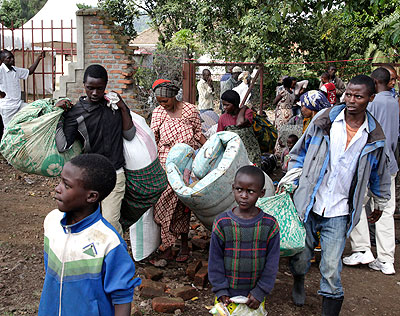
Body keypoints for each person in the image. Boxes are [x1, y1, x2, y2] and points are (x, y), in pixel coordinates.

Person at [281, 75, 390, 315]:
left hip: (340, 210)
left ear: (370, 99)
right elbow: (300, 152)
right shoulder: (325, 120)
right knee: (302, 255)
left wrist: (380, 201)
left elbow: (379, 174)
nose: (351, 100)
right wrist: (293, 179)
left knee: (331, 267)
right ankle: (298, 279)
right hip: (310, 202)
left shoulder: (374, 137)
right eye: (348, 94)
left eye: (358, 96)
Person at [38, 154, 141, 316]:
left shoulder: (109, 242)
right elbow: (51, 273)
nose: (58, 188)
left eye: (67, 185)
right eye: (60, 181)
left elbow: (121, 296)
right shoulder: (52, 222)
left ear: (91, 196)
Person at [55, 64, 136, 235]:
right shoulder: (75, 112)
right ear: (83, 84)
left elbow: (129, 135)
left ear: (105, 85)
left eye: (100, 88)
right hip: (88, 176)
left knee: (111, 223)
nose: (94, 93)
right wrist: (59, 116)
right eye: (90, 88)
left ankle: (116, 260)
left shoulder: (113, 106)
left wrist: (122, 107)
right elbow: (63, 146)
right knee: (86, 222)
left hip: (115, 173)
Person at [343, 68, 398, 275]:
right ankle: (386, 259)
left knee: (355, 203)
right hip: (390, 162)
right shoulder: (394, 102)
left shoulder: (372, 105)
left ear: (373, 85)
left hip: (371, 163)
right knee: (385, 210)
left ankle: (362, 248)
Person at [208, 165, 280, 313]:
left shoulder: (269, 225)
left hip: (254, 295)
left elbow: (272, 263)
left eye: (251, 191)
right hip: (226, 295)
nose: (244, 195)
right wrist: (220, 289)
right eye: (239, 189)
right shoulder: (222, 223)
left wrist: (261, 291)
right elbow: (215, 259)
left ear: (262, 193)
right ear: (233, 188)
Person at [150, 79, 206, 264]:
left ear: (174, 97)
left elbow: (198, 134)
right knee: (162, 201)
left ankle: (182, 245)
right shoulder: (158, 113)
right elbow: (153, 139)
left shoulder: (190, 110)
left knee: (182, 204)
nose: (163, 105)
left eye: (165, 101)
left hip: (185, 164)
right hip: (164, 162)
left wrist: (211, 151)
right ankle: (166, 244)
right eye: (159, 102)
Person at [0, 49, 45, 128]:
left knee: (35, 111)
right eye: (9, 58)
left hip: (19, 104)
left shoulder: (15, 70)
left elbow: (29, 71)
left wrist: (38, 59)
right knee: (9, 129)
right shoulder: (1, 71)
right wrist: (1, 93)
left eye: (12, 57)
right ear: (2, 60)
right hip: (8, 108)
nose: (12, 60)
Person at [217, 90, 261, 166]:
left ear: (235, 104)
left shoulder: (247, 113)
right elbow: (219, 136)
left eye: (227, 105)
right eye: (223, 105)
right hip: (233, 154)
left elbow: (240, 123)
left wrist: (243, 108)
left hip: (250, 153)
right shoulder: (223, 118)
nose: (224, 108)